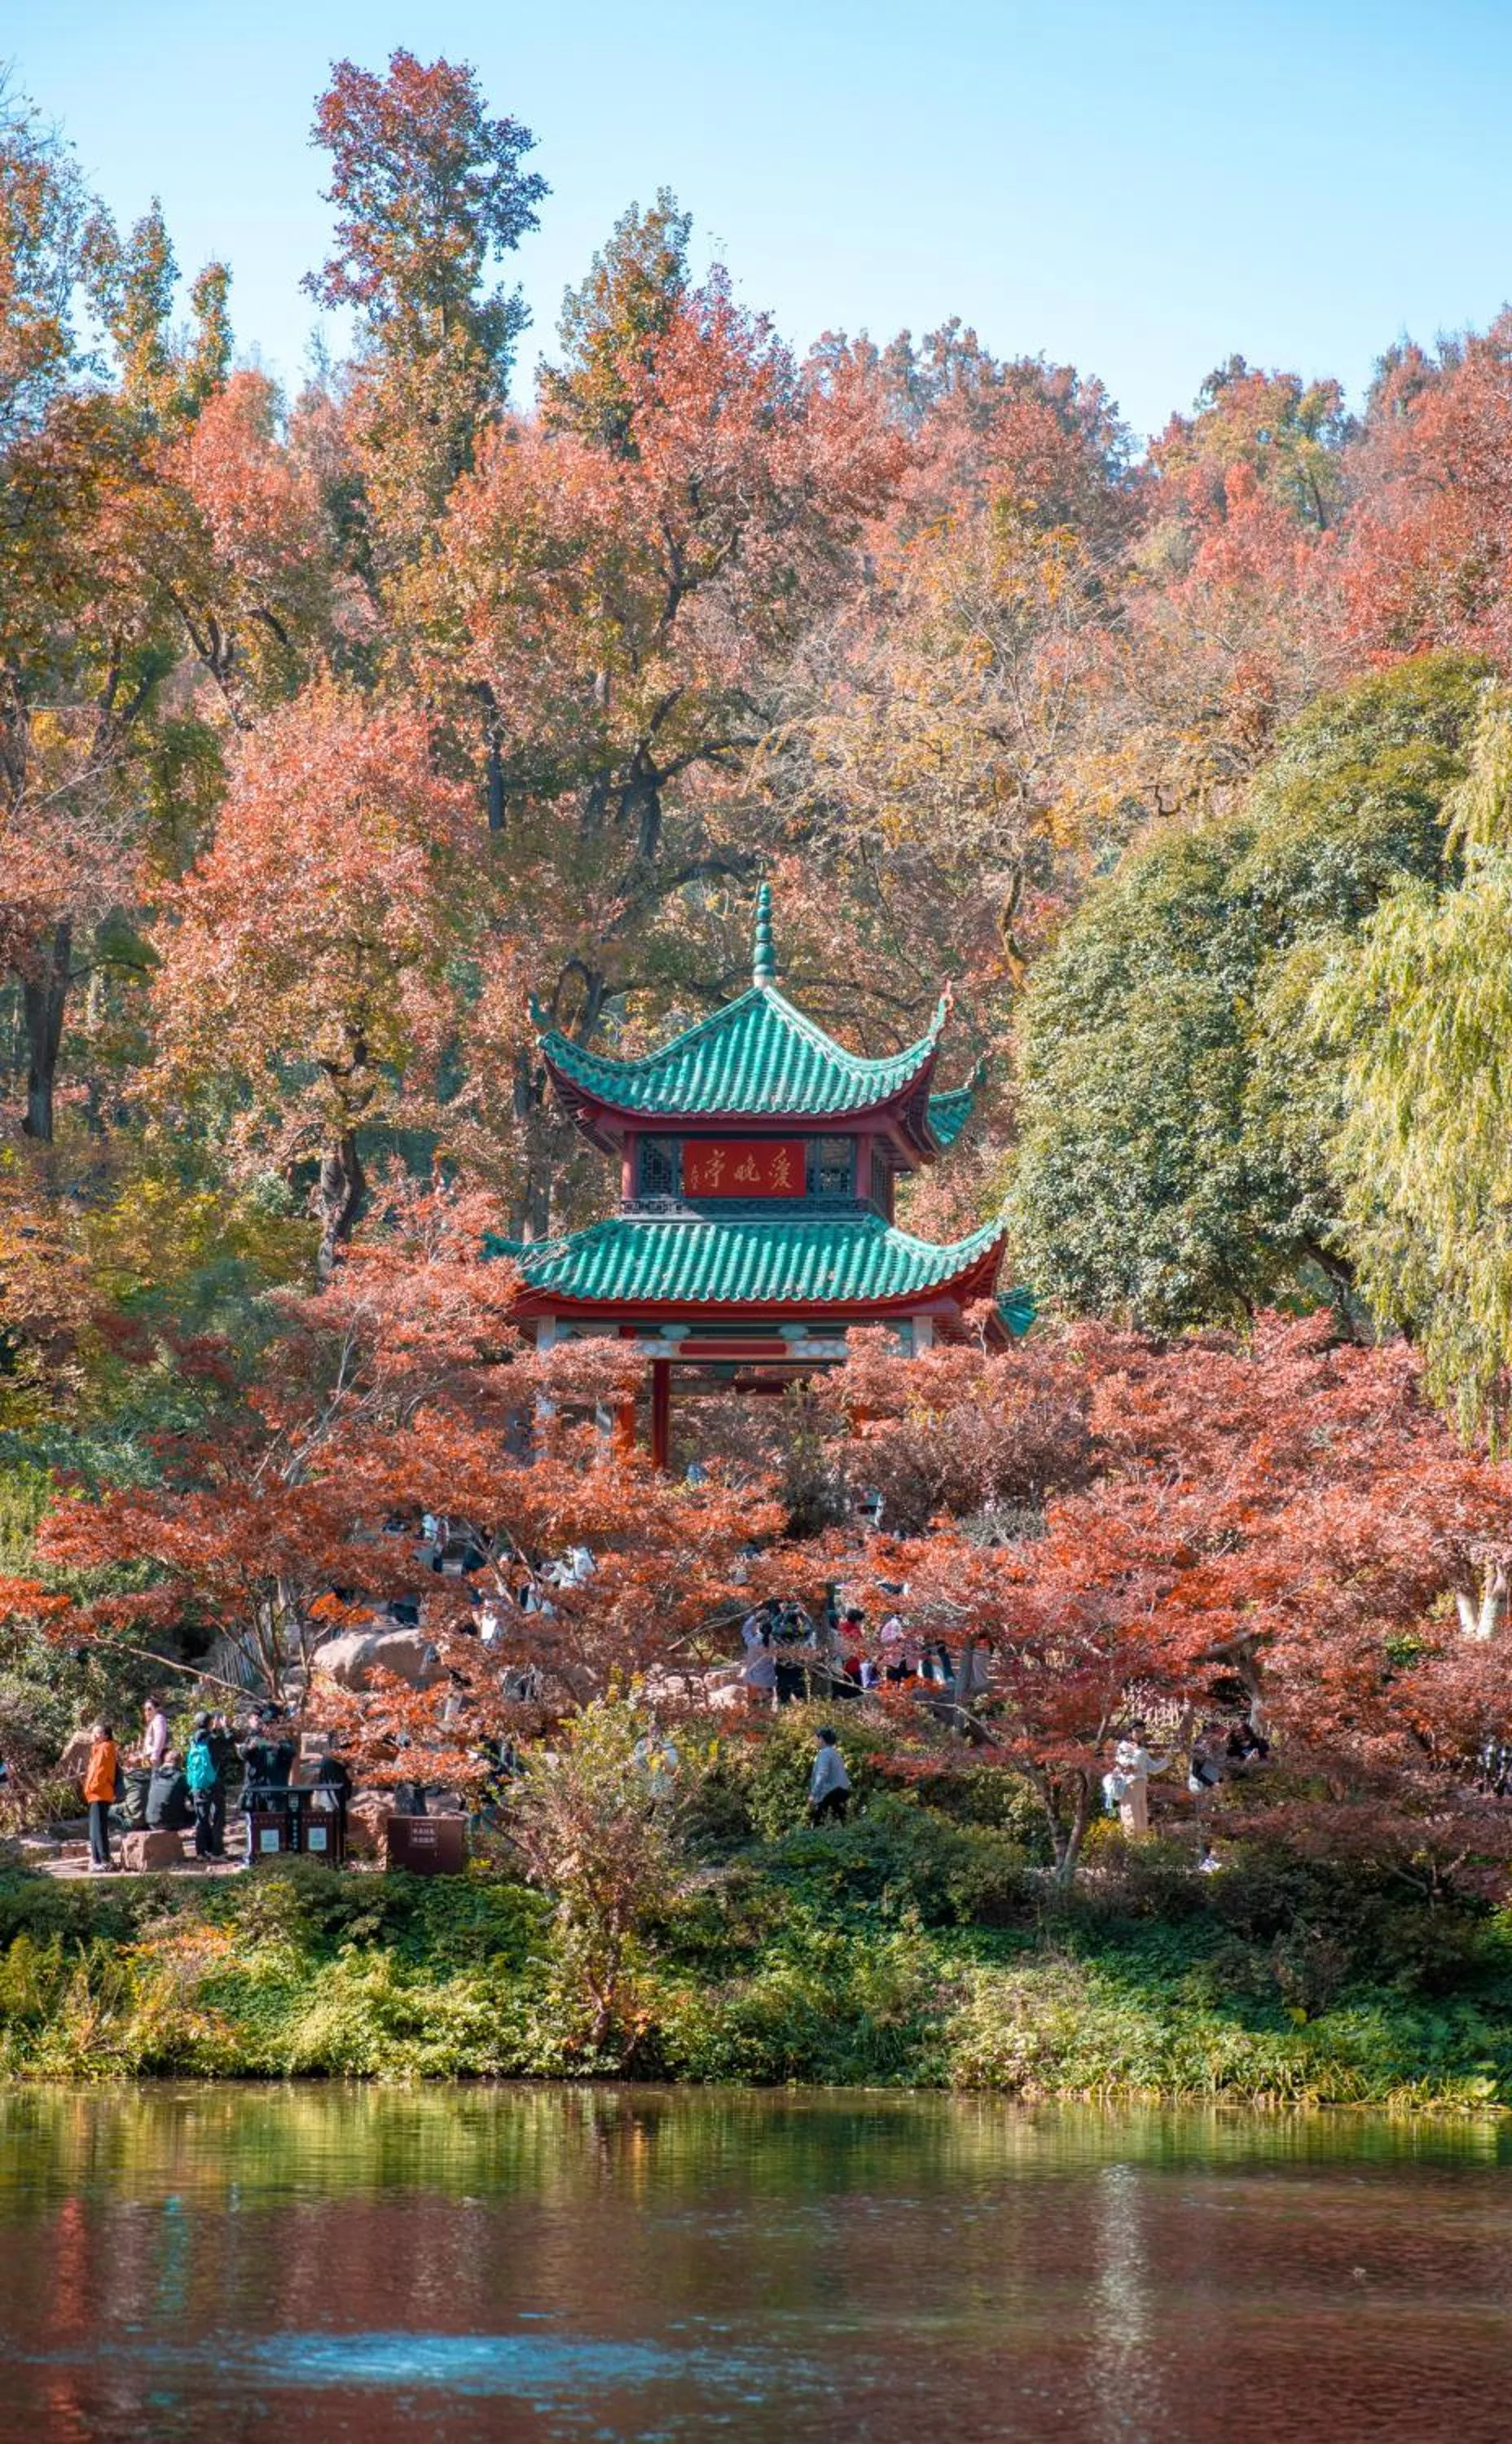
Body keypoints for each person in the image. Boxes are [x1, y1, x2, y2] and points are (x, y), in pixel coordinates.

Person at [1102, 1721, 1171, 1835]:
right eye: (1137, 1730)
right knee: (1130, 1814)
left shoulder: (1142, 1750)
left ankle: (1142, 1846)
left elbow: (1153, 1768)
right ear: (1130, 1731)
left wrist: (1167, 1760)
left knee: (1142, 1816)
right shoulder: (1123, 1746)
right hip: (1130, 1784)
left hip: (1141, 1786)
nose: (1140, 1733)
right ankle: (1132, 1846)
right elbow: (1123, 1765)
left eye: (1142, 1731)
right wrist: (1131, 1764)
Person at [184, 1716, 224, 1859]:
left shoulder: (192, 1740)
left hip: (197, 1783)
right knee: (218, 1817)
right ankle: (216, 1851)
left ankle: (201, 1852)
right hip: (212, 1782)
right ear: (210, 1723)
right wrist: (222, 1728)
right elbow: (226, 1744)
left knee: (201, 1818)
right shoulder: (213, 1739)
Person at [82, 1721, 120, 1873]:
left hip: (100, 1793)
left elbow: (101, 1771)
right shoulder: (97, 1749)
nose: (94, 1735)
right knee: (94, 1829)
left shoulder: (106, 1747)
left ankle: (104, 1860)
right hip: (95, 1794)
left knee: (98, 1829)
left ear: (105, 1735)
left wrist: (91, 1788)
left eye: (98, 1732)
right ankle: (97, 1859)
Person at [807, 1727, 850, 1826]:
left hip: (831, 1793)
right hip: (841, 1791)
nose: (814, 1741)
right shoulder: (835, 1753)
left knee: (819, 1826)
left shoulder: (825, 1753)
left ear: (821, 1739)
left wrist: (813, 1794)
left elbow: (822, 1774)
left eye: (815, 1738)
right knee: (842, 1824)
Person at [146, 1748, 194, 1835]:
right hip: (171, 1823)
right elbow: (193, 1798)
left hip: (151, 1822)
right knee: (197, 1814)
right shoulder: (180, 1777)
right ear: (179, 1762)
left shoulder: (155, 1774)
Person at [141, 1695, 169, 1771]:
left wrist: (155, 1756)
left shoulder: (158, 1719)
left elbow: (160, 1738)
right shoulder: (153, 1721)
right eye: (145, 1710)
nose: (147, 1712)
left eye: (150, 1709)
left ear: (156, 1709)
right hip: (151, 1758)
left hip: (156, 1758)